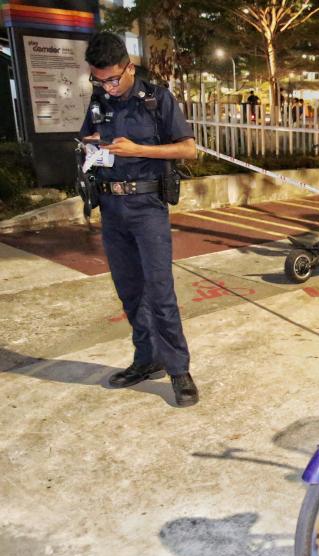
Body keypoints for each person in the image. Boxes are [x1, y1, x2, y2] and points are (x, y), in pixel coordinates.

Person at [79, 32, 199, 406]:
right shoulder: (100, 101)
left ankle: (179, 370)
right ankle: (147, 360)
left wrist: (138, 149)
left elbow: (189, 149)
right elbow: (85, 139)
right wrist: (91, 143)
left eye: (113, 79)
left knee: (160, 292)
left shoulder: (156, 99)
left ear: (129, 67)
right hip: (111, 209)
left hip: (147, 208)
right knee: (129, 291)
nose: (107, 87)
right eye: (99, 80)